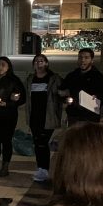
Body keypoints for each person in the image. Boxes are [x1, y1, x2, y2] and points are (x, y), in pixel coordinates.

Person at [25, 54, 63, 183]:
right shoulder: (30, 79)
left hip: (48, 116)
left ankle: (44, 169)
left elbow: (61, 93)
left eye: (41, 61)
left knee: (43, 142)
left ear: (46, 63)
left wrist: (63, 95)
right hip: (34, 117)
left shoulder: (53, 78)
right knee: (37, 143)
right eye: (36, 61)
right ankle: (40, 168)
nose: (38, 63)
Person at [58, 48, 103, 126]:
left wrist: (97, 97)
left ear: (92, 60)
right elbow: (61, 91)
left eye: (86, 58)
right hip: (74, 115)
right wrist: (65, 99)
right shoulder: (72, 76)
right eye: (80, 57)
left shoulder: (98, 77)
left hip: (91, 116)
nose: (83, 60)